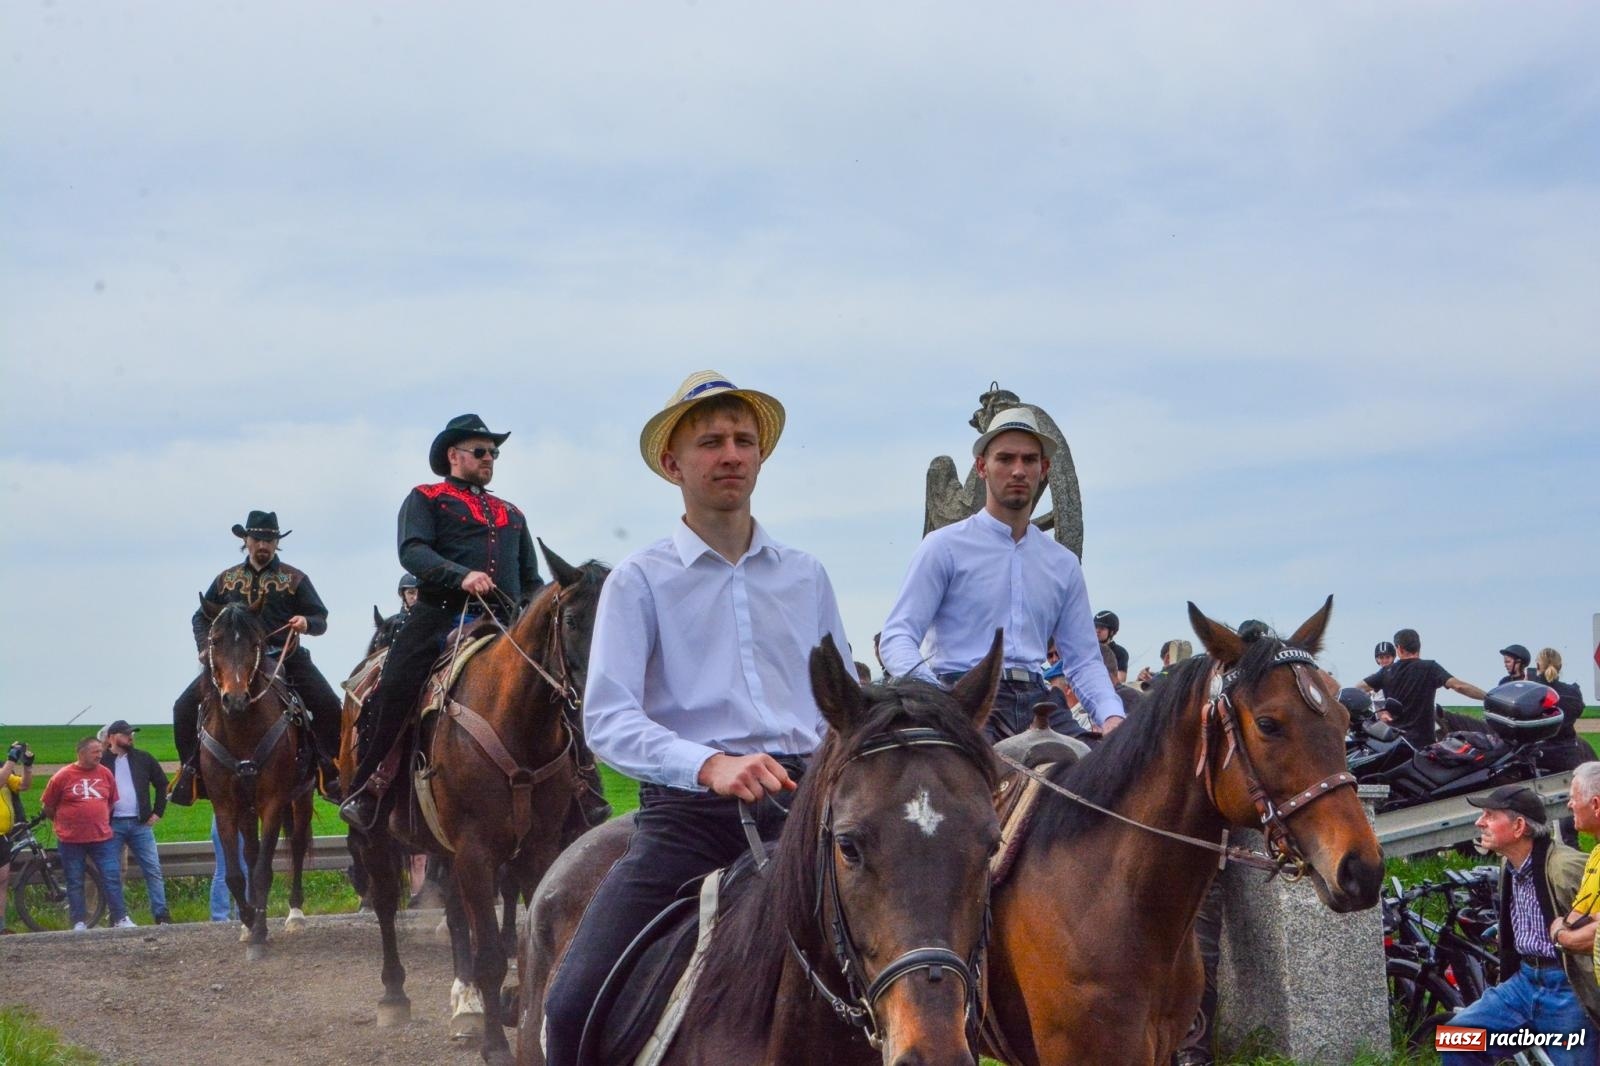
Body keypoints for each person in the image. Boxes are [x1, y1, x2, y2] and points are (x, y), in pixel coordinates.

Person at [542, 371, 849, 1065]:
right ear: (672, 464)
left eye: (744, 440)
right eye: (711, 441)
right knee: (570, 1005)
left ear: (761, 458)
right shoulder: (639, 580)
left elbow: (840, 705)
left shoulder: (808, 575)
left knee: (930, 967)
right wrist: (709, 764)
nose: (731, 453)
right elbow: (610, 719)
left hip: (809, 812)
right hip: (689, 822)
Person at [341, 414, 604, 831]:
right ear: (453, 455)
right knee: (395, 686)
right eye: (480, 451)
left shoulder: (511, 513)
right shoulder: (425, 498)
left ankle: (584, 789)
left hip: (505, 623)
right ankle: (372, 786)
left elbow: (530, 578)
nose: (489, 458)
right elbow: (412, 551)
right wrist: (460, 575)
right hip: (438, 614)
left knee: (559, 685)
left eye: (494, 452)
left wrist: (537, 607)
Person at [880, 406, 1124, 742]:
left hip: (1040, 704)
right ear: (982, 467)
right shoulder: (943, 548)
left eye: (1029, 460)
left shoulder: (1062, 563)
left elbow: (1083, 659)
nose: (1018, 471)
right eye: (1005, 459)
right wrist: (941, 699)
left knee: (1103, 783)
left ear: (1045, 468)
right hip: (963, 693)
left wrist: (1112, 716)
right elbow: (898, 638)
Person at [171, 510, 344, 805]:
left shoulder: (295, 578)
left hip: (285, 656)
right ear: (246, 541)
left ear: (277, 543)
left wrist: (306, 622)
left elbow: (321, 618)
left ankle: (328, 770)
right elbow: (200, 617)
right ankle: (191, 771)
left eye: (270, 539)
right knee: (183, 707)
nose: (263, 545)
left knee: (328, 704)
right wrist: (204, 648)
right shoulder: (226, 580)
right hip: (234, 662)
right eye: (258, 539)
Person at [1439, 785, 1599, 1064]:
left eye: (1489, 814)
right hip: (1523, 984)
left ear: (1519, 827)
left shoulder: (1566, 867)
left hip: (1566, 989)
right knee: (1457, 1038)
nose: (1479, 822)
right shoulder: (1510, 864)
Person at [40, 737, 132, 930]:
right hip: (71, 840)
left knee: (112, 877)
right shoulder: (62, 776)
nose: (100, 755)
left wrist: (97, 818)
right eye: (95, 752)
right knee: (75, 881)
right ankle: (79, 921)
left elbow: (111, 801)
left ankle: (120, 918)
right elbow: (48, 806)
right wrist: (66, 822)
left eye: (100, 751)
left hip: (102, 839)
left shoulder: (105, 774)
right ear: (81, 753)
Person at [1358, 628, 1487, 750]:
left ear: (1399, 649)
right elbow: (1459, 686)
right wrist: (1488, 697)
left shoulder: (1386, 672)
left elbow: (1357, 689)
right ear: (1419, 647)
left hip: (1395, 745)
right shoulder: (1430, 668)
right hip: (1423, 745)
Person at [99, 721, 171, 924]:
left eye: (132, 733)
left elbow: (162, 783)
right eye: (125, 734)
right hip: (112, 825)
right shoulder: (102, 761)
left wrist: (158, 812)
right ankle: (117, 917)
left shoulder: (143, 758)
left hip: (140, 825)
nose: (130, 737)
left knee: (153, 870)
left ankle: (161, 915)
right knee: (112, 872)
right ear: (112, 737)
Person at [0, 740, 36, 935]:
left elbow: (23, 785)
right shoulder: (4, 769)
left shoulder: (3, 768)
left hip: (3, 836)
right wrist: (11, 758)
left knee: (2, 880)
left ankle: (0, 926)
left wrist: (27, 766)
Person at [1094, 609, 1129, 684]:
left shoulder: (1120, 652)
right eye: (1095, 627)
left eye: (1102, 628)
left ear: (1112, 632)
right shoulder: (1087, 650)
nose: (1097, 630)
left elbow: (1120, 679)